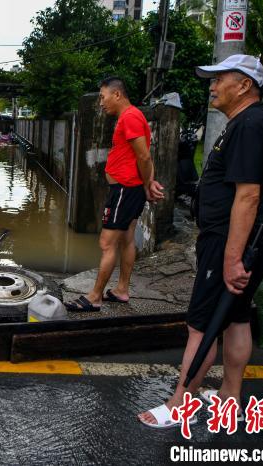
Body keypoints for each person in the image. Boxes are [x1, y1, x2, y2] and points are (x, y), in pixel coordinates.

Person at [139, 55, 263, 429]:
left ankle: (178, 404)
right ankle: (230, 399)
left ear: (244, 85)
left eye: (220, 79)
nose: (212, 86)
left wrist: (232, 257)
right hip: (247, 242)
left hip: (230, 243)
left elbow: (248, 196)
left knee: (201, 325)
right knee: (236, 319)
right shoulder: (253, 122)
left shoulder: (250, 125)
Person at [65, 77, 164, 312]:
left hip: (124, 189)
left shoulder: (129, 117)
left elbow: (144, 157)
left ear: (117, 94)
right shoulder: (133, 116)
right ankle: (121, 290)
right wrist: (146, 183)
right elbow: (144, 154)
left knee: (107, 243)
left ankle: (95, 296)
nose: (101, 102)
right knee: (127, 239)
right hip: (129, 189)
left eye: (102, 96)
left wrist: (148, 183)